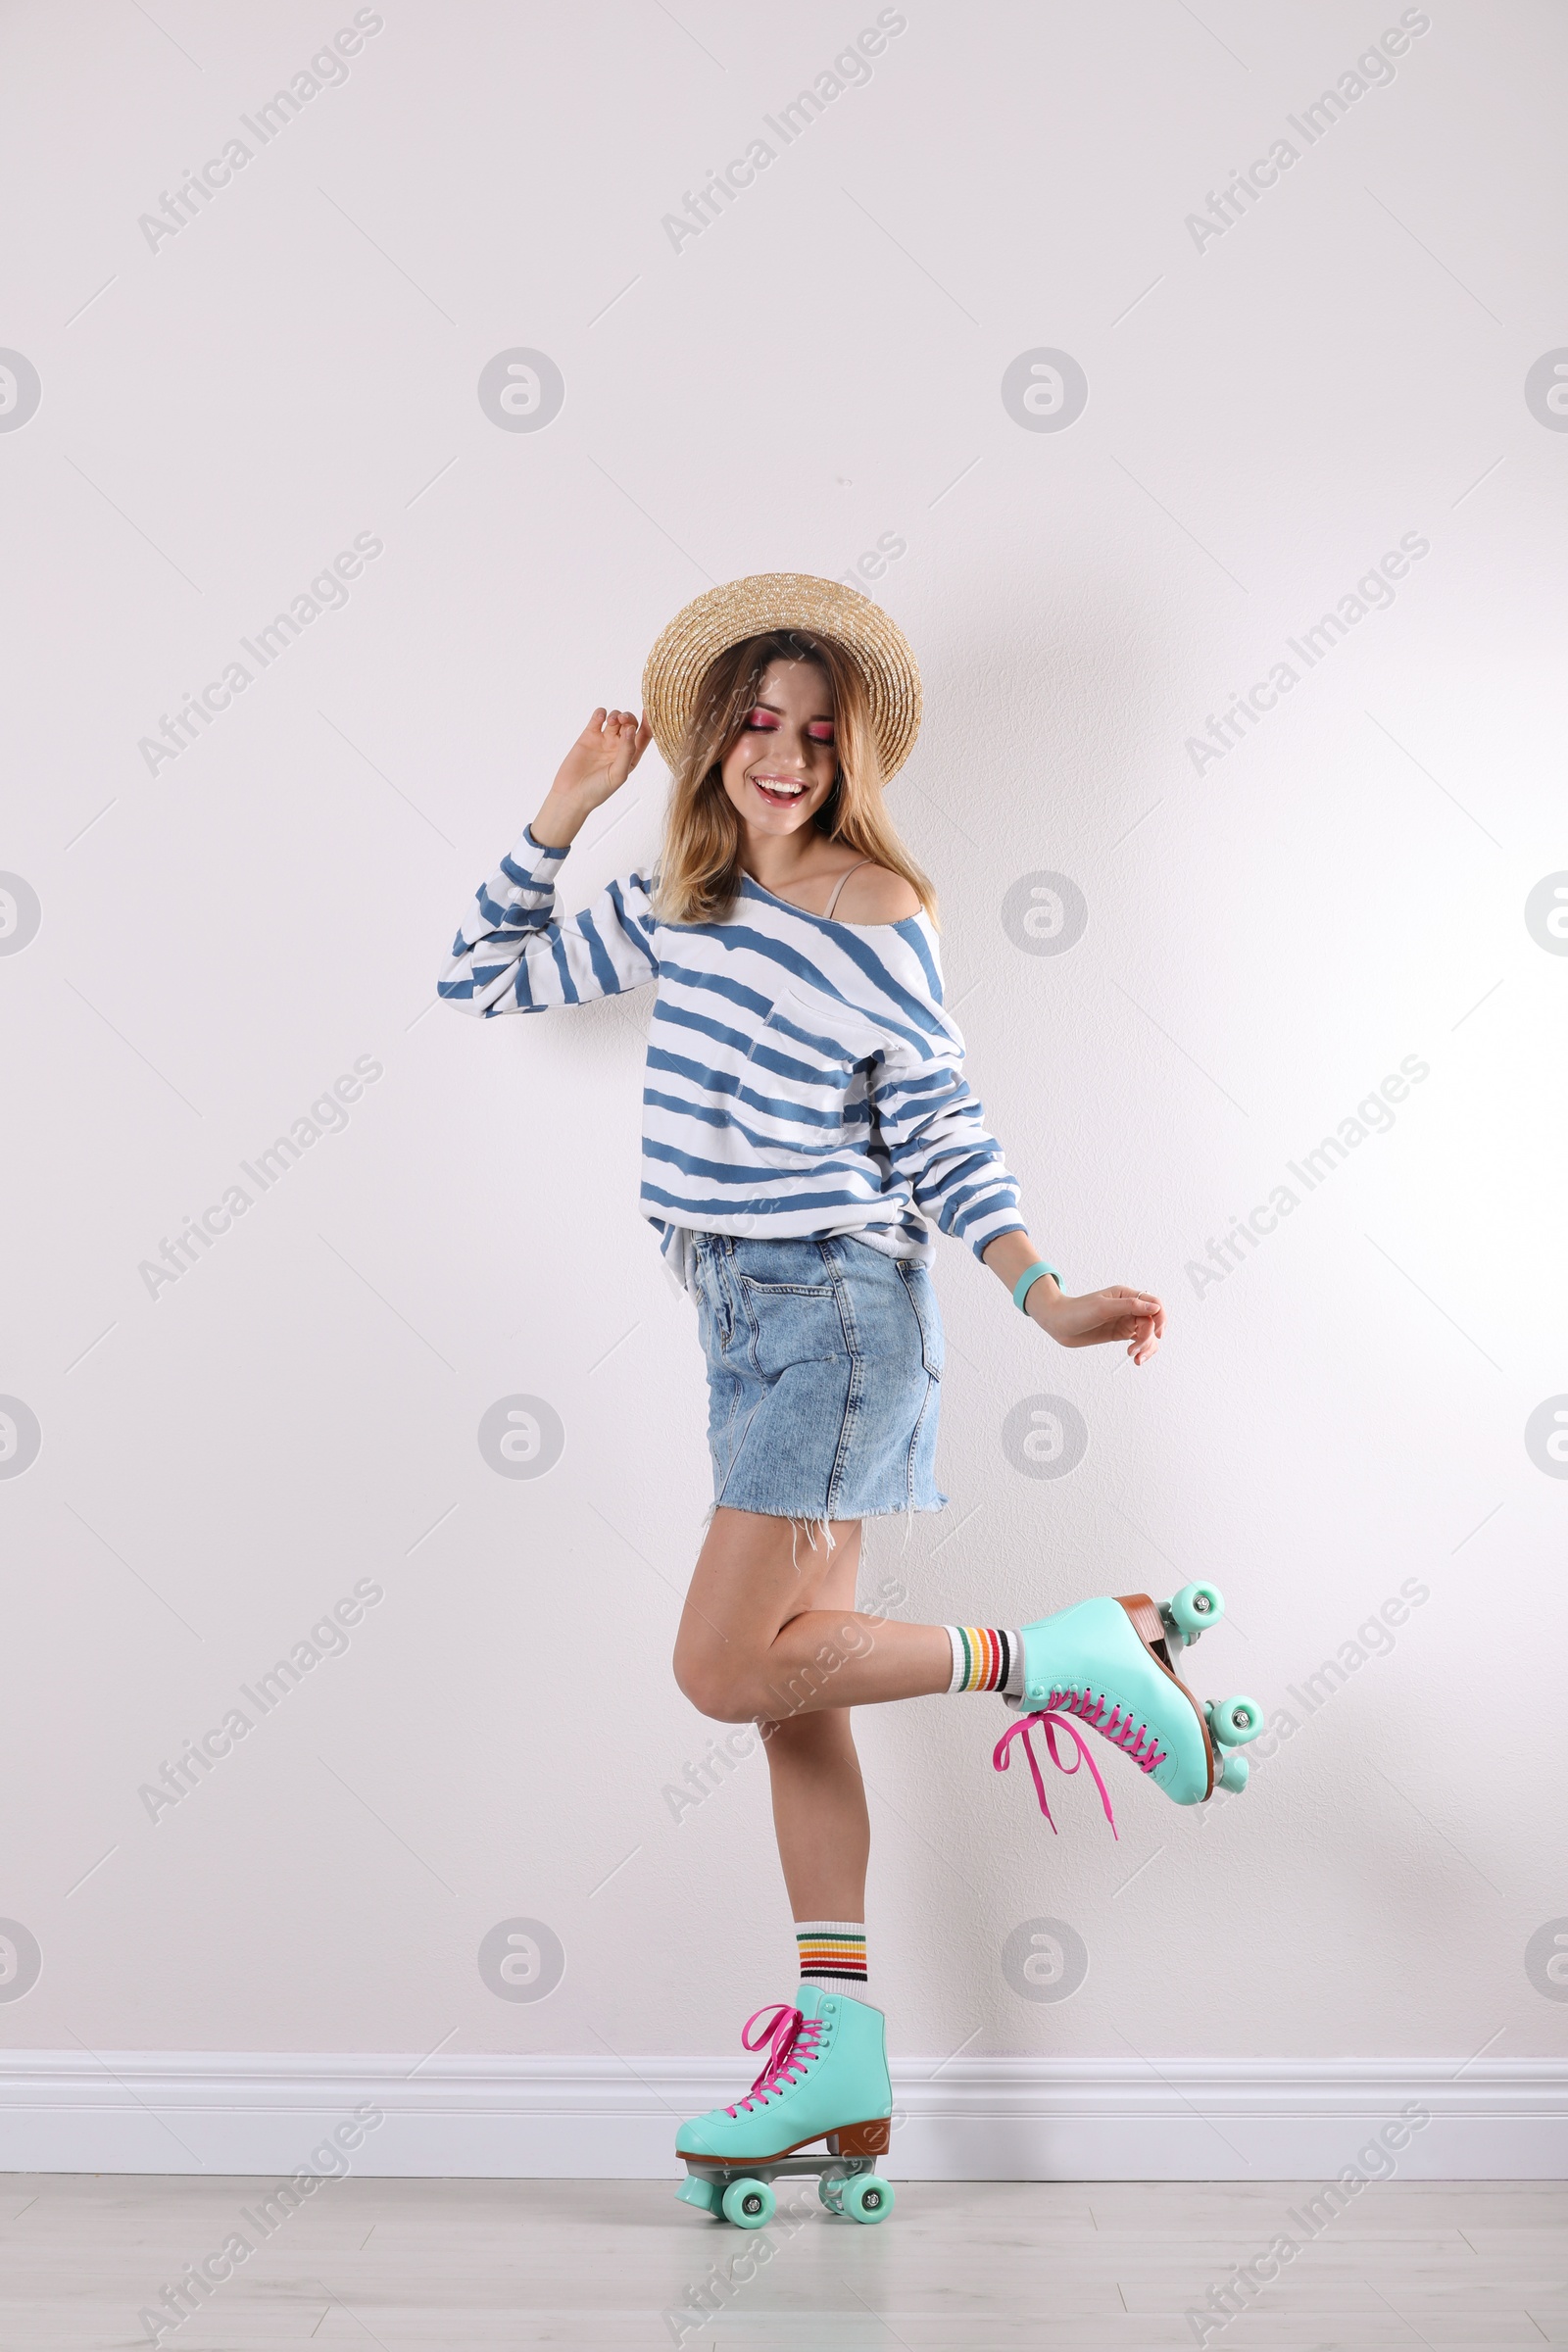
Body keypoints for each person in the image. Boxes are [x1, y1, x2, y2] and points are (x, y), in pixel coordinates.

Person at [438, 575, 1257, 2211]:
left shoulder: (879, 911)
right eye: (759, 721)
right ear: (714, 735)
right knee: (790, 1691)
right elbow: (483, 977)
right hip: (745, 1312)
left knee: (717, 1667)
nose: (787, 754)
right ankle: (843, 2042)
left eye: (819, 731)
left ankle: (1063, 1652)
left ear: (851, 751)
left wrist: (1044, 1292)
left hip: (832, 1309)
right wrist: (563, 809)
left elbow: (943, 1129)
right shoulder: (685, 893)